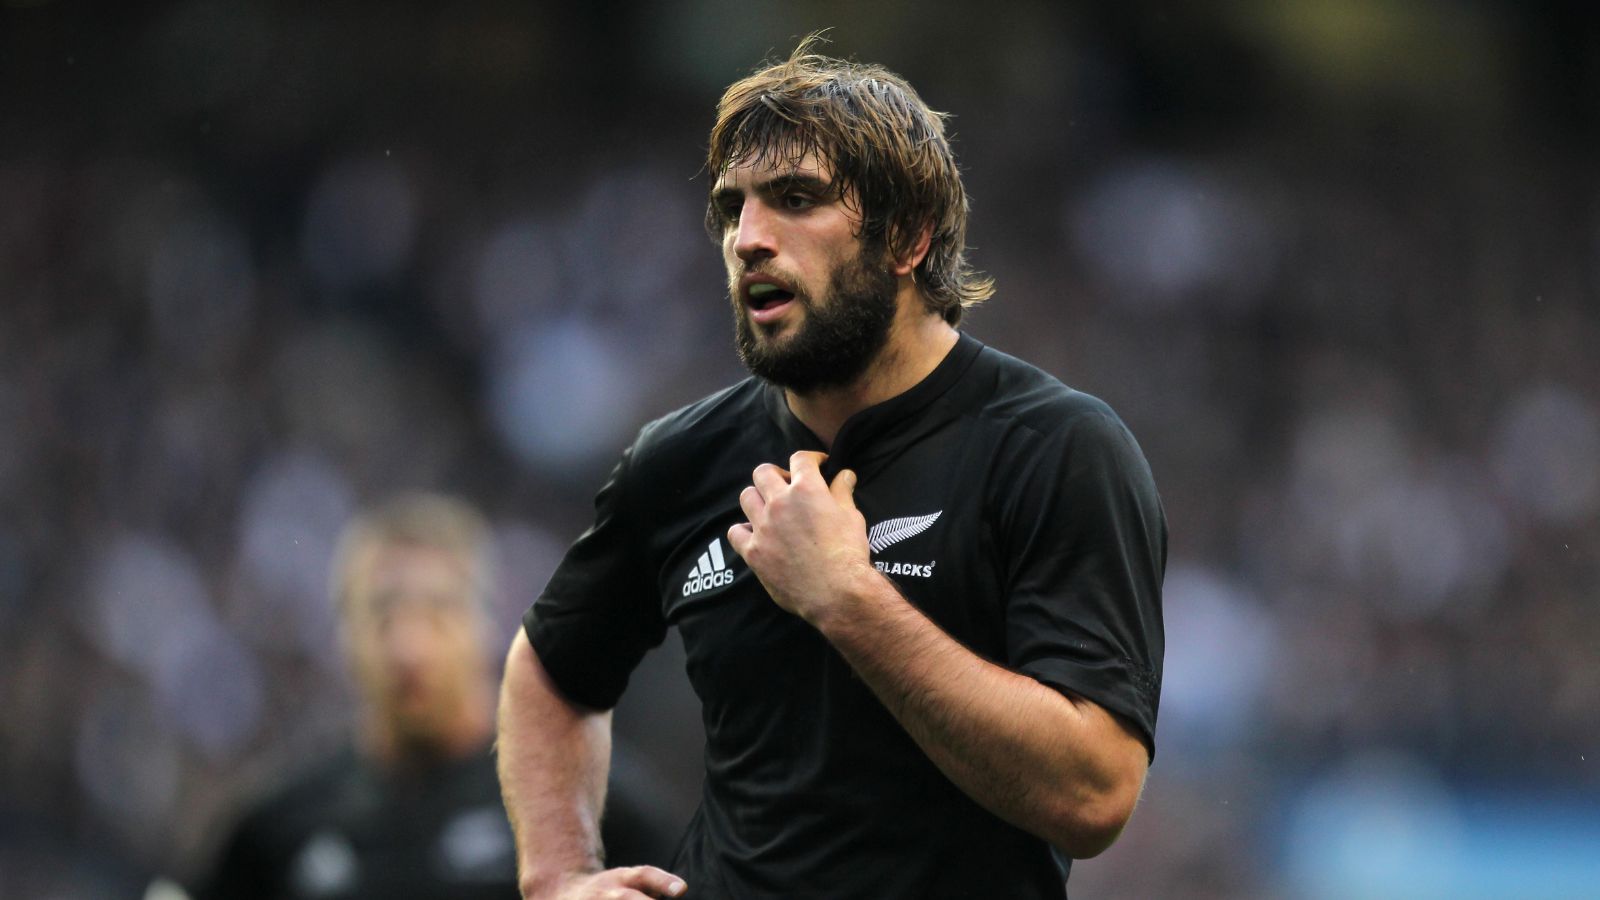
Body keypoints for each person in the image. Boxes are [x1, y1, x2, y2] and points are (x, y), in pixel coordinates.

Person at [496, 38, 1166, 900]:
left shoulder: (1055, 450)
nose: (748, 239)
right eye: (733, 208)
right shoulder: (679, 461)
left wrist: (848, 598)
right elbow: (550, 670)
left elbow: (1095, 792)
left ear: (909, 236)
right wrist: (557, 875)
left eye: (796, 200)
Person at [198, 494, 672, 900]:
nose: (409, 646)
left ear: (487, 625)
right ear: (342, 636)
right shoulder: (276, 828)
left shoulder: (589, 800)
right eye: (383, 613)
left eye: (438, 610)